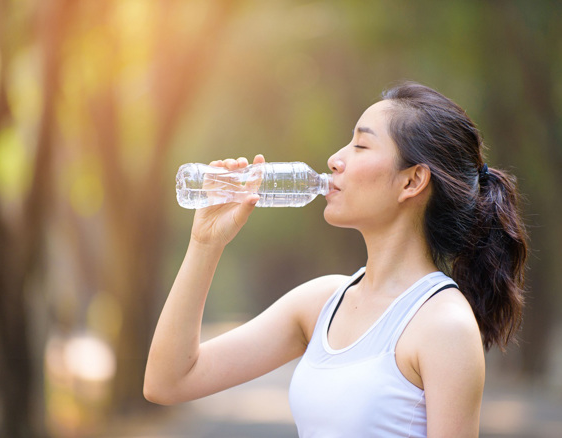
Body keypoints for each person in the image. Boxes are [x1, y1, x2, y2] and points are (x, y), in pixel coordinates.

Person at [144, 81, 528, 437]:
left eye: (360, 146)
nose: (334, 159)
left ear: (412, 181)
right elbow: (169, 381)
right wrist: (205, 243)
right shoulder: (321, 303)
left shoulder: (443, 326)